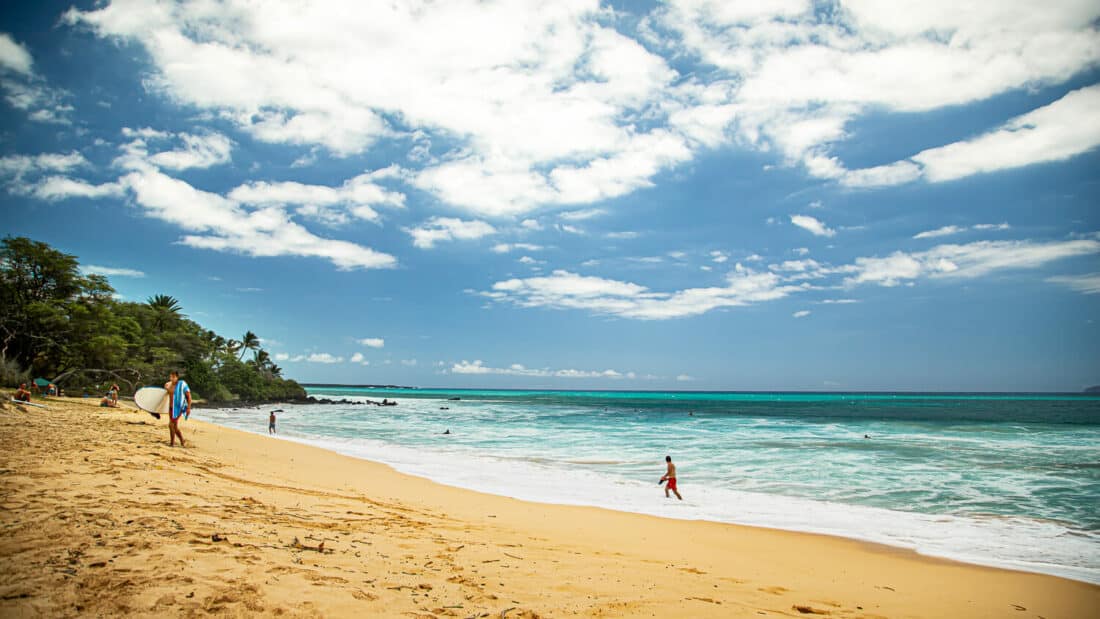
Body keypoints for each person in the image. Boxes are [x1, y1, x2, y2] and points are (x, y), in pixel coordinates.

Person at [167, 370, 191, 447]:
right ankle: (182, 441)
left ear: (177, 377)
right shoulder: (168, 385)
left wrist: (188, 408)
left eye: (174, 377)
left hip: (179, 408)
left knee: (171, 425)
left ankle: (172, 443)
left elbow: (189, 396)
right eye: (171, 376)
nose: (172, 378)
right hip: (171, 408)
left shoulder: (182, 384)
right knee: (175, 426)